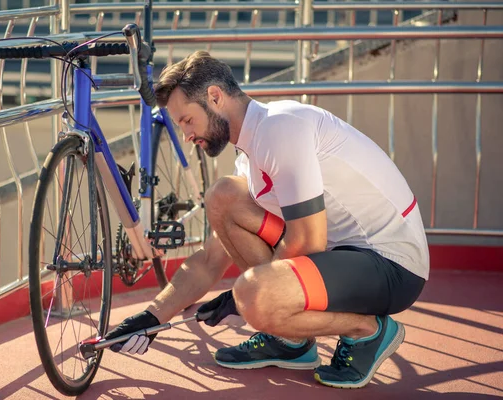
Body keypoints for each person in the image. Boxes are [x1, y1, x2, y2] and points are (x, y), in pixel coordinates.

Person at [104, 51, 429, 389]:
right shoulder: (250, 156)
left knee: (254, 293)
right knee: (223, 198)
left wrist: (249, 294)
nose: (186, 135)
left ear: (214, 97)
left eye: (187, 120)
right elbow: (210, 260)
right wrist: (152, 317)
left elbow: (307, 241)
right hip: (343, 255)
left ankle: (368, 332)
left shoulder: (279, 128)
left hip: (392, 265)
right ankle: (290, 341)